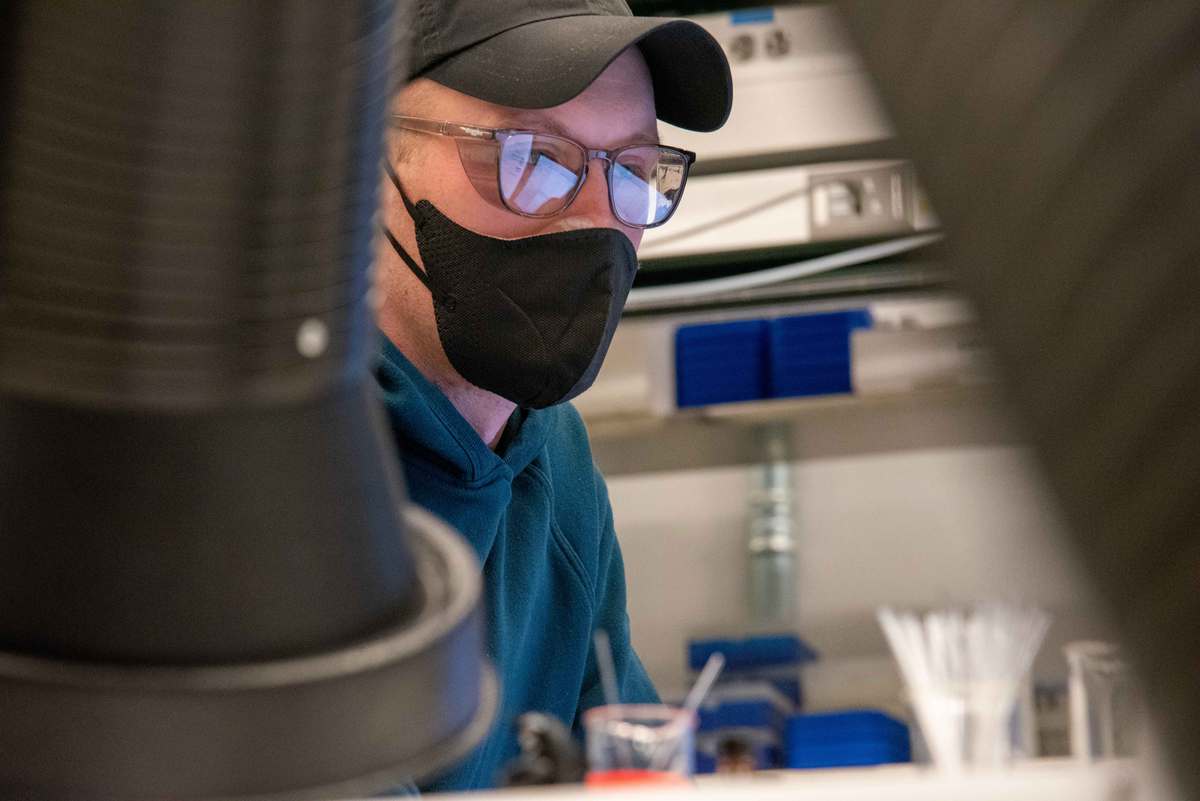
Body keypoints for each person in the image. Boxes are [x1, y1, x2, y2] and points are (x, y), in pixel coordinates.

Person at [372, 0, 732, 791]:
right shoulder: (261, 467)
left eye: (635, 172)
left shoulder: (554, 462)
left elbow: (616, 762)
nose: (599, 216)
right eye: (531, 158)